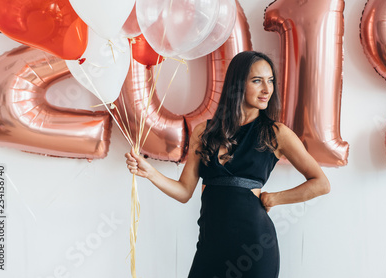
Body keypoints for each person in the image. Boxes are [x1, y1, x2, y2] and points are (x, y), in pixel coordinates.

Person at [125, 51, 330, 278]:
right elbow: (184, 191)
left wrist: (275, 198)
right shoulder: (205, 132)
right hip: (210, 246)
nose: (267, 89)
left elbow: (321, 183)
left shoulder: (276, 133)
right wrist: (150, 173)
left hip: (254, 248)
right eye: (257, 81)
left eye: (270, 80)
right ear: (237, 84)